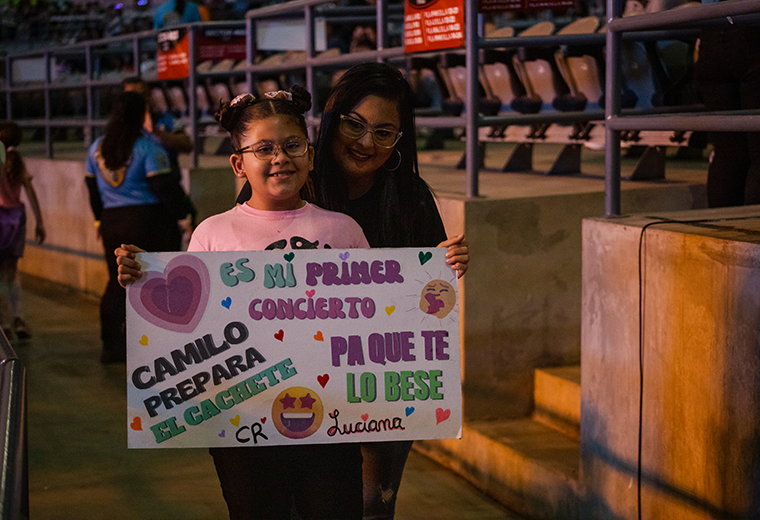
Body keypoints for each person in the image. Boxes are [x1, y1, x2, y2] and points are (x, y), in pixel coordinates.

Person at [118, 86, 368, 519]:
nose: (280, 158)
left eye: (292, 145)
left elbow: (377, 313)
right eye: (264, 148)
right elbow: (189, 324)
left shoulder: (343, 229)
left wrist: (436, 270)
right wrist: (143, 281)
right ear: (239, 163)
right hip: (241, 422)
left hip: (332, 422)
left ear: (310, 154)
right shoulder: (213, 234)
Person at [236, 62, 468, 520]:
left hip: (379, 380)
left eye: (384, 133)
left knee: (373, 506)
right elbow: (239, 269)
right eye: (354, 124)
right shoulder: (294, 180)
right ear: (332, 117)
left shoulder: (410, 196)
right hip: (295, 384)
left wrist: (449, 269)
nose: (366, 143)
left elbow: (429, 301)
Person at [86, 91, 192, 363]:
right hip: (149, 222)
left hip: (111, 222)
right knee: (157, 283)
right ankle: (155, 347)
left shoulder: (97, 148)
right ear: (141, 114)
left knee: (116, 282)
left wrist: (99, 220)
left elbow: (92, 190)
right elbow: (165, 188)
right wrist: (186, 215)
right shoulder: (149, 148)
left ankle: (111, 345)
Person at [695, 0, 760, 207]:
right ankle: (752, 234)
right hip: (753, 25)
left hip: (712, 31)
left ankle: (721, 231)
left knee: (728, 155)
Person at [0, 122, 45, 342]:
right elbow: (30, 190)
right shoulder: (18, 161)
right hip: (17, 218)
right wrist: (40, 221)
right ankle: (18, 318)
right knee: (12, 271)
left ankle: (5, 324)